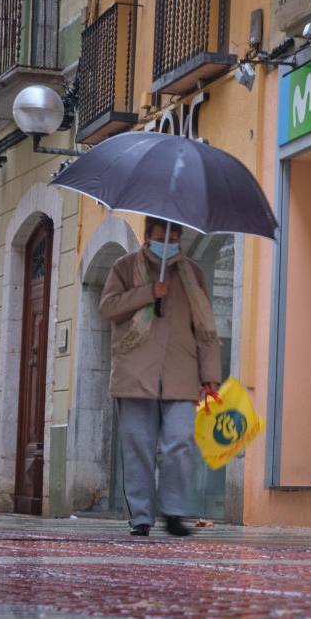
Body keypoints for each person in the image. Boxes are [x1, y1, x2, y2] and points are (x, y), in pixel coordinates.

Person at [99, 217, 221, 536]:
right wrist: (147, 293)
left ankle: (173, 512)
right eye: (161, 238)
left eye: (174, 239)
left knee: (179, 444)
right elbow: (108, 308)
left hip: (182, 374)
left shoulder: (192, 273)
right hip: (135, 376)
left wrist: (210, 376)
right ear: (147, 237)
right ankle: (141, 516)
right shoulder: (124, 268)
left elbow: (205, 329)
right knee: (138, 447)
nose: (168, 245)